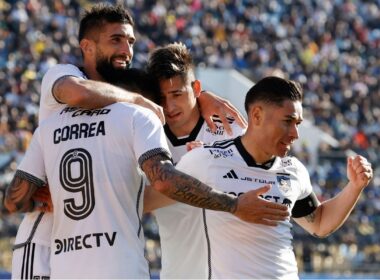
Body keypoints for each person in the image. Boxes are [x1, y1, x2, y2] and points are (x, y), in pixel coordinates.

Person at [8, 3, 248, 279]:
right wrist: (139, 102)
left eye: (131, 41)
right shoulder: (64, 75)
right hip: (46, 243)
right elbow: (79, 93)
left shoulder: (127, 108)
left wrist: (201, 98)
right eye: (116, 40)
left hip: (106, 257)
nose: (126, 50)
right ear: (86, 46)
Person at [3, 87, 288, 277]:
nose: (169, 105)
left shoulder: (54, 126)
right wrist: (234, 204)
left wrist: (201, 98)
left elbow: (14, 201)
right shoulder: (136, 118)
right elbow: (163, 184)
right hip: (54, 250)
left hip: (69, 259)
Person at [173, 76, 373, 279]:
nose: (295, 133)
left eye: (298, 123)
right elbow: (156, 194)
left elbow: (319, 223)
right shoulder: (205, 159)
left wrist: (354, 186)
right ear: (257, 115)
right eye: (288, 121)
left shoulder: (293, 169)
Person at [144, 42, 289, 279]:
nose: (169, 106)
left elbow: (264, 183)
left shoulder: (231, 127)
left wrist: (215, 164)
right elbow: (140, 202)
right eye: (161, 97)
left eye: (177, 94)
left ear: (196, 87)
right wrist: (193, 169)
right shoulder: (148, 138)